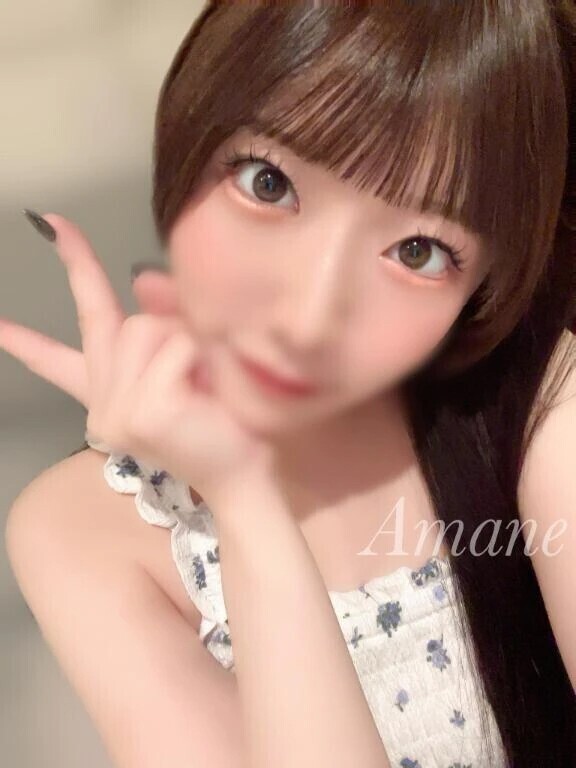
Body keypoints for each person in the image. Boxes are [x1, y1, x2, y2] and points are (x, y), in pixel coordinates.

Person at [3, 2, 576, 766]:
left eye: (418, 251)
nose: (310, 313)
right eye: (268, 184)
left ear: (484, 285)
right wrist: (245, 500)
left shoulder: (545, 404)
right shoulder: (83, 531)